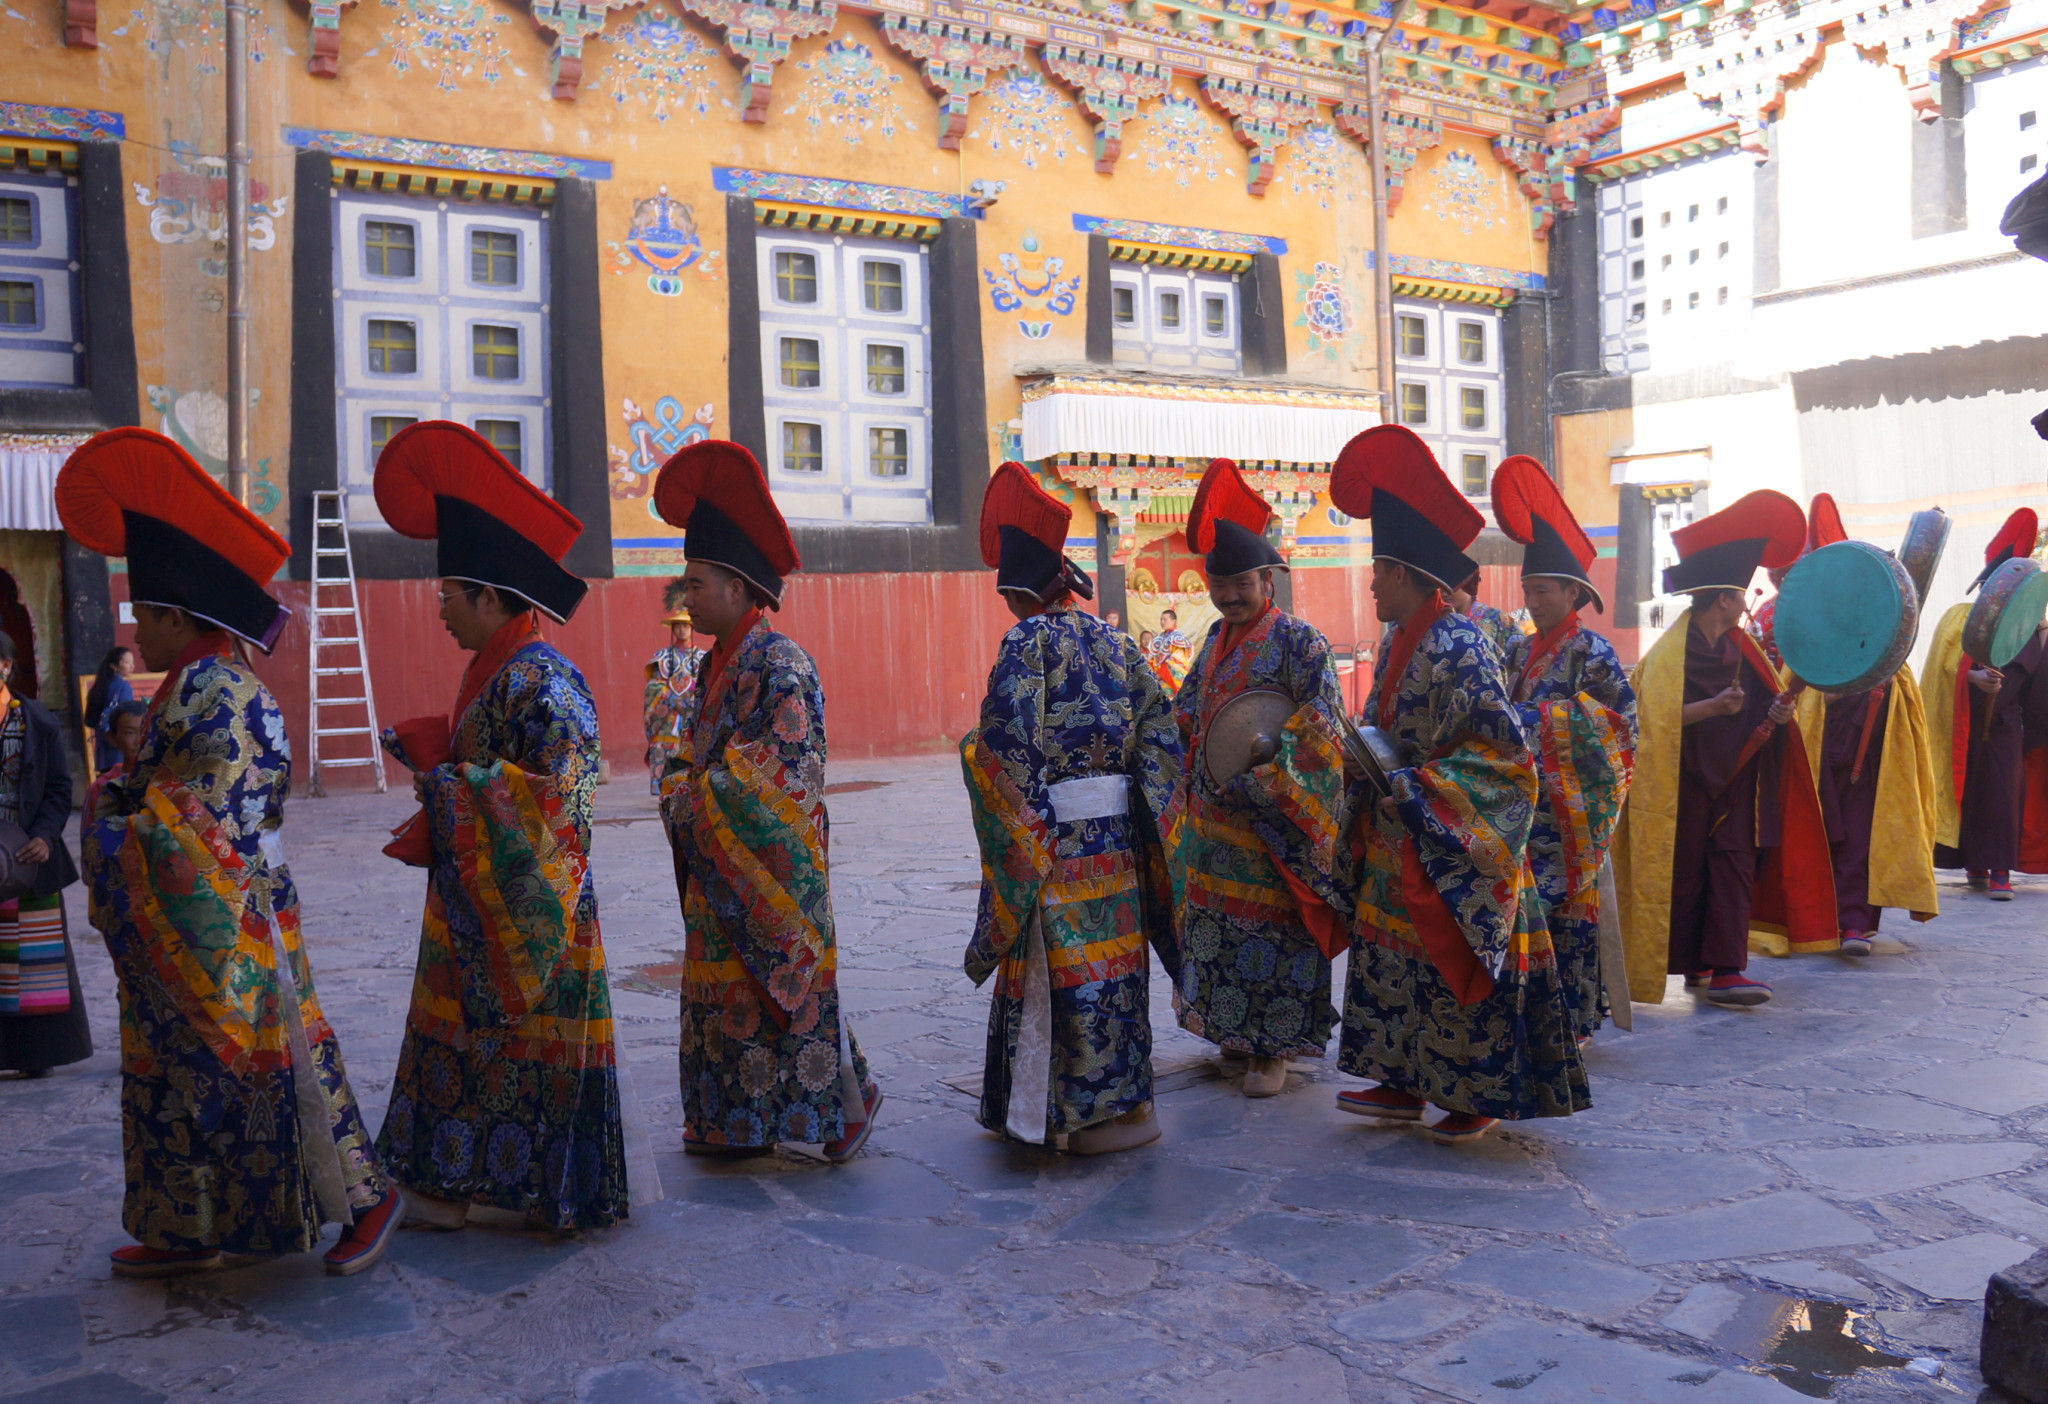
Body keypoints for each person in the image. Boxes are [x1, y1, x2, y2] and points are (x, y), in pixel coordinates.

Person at [60, 426, 399, 1278]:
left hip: (236, 915)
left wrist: (108, 818)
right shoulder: (190, 682)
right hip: (197, 915)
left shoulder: (223, 692)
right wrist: (121, 803)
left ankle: (365, 1197)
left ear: (178, 616)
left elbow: (198, 828)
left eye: (144, 616)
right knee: (175, 1073)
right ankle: (188, 1226)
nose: (137, 632)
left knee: (281, 1059)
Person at [372, 421, 630, 1232]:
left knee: (524, 1049)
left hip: (534, 916)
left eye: (449, 593)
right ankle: (450, 1182)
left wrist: (447, 782)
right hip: (475, 908)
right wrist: (447, 765)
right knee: (465, 1041)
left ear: (489, 597)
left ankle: (535, 1188)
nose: (439, 607)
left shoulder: (546, 682)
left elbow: (563, 807)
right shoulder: (495, 673)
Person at [1327, 429, 1579, 1145]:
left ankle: (1479, 1089)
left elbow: (1500, 759)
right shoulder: (1402, 636)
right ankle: (1402, 1080)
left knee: (1452, 959)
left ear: (1405, 573)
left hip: (1452, 837)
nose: (1370, 583)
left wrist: (1414, 788)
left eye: (1378, 570)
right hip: (1400, 823)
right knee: (1393, 957)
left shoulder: (1459, 643)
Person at [653, 440, 881, 1160]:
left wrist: (690, 793)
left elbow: (781, 773)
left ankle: (845, 1104)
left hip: (771, 872)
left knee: (790, 996)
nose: (685, 596)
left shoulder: (782, 664)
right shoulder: (714, 665)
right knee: (738, 1000)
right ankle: (734, 1121)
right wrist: (686, 781)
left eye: (696, 583)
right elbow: (703, 758)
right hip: (722, 865)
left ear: (739, 586)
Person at [960, 463, 1181, 1154]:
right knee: (1115, 967)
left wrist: (980, 769)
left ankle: (1066, 1114)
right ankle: (1129, 1106)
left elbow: (1004, 749)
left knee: (1065, 975)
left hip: (1052, 845)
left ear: (1019, 595)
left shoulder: (1025, 645)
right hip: (1114, 844)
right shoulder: (1117, 643)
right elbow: (1162, 733)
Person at [1167, 458, 1350, 1099]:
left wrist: (1265, 775)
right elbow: (1190, 710)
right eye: (1218, 585)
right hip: (1215, 826)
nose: (1229, 596)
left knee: (1273, 934)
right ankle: (1233, 1036)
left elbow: (1323, 729)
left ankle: (1272, 1049)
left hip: (1273, 822)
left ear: (1267, 578)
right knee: (1217, 926)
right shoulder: (1215, 639)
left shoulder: (1302, 644)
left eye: (1240, 583)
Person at [1615, 490, 1837, 1010]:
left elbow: (1769, 709)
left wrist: (1779, 717)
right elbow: (1646, 725)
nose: (1746, 602)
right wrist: (1712, 708)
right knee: (1688, 877)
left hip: (1740, 787)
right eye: (1740, 595)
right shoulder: (1670, 654)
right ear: (1723, 599)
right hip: (1685, 789)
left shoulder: (1745, 647)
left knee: (1734, 870)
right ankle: (1700, 966)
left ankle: (1727, 968)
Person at [1491, 457, 1638, 1044]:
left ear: (1573, 592)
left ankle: (1573, 1020)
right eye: (1527, 590)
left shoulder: (1593, 653)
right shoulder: (1517, 650)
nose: (1533, 600)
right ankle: (1533, 1012)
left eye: (1544, 590)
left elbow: (1619, 727)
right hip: (1525, 805)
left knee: (1570, 915)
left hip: (1572, 811)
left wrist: (1531, 723)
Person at [1777, 500, 1939, 955]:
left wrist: (1874, 682)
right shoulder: (1807, 649)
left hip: (1870, 760)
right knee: (1820, 833)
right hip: (1818, 753)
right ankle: (1817, 919)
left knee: (1863, 834)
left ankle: (1854, 923)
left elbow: (1902, 713)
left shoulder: (1889, 651)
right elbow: (1792, 695)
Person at [1923, 509, 2048, 899]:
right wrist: (1971, 678)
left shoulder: (2033, 627)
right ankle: (1973, 862)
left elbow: (2036, 685)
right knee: (1967, 794)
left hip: (2006, 727)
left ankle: (1999, 871)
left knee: (2000, 794)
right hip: (1963, 721)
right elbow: (1939, 672)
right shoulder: (1961, 619)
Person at [0, 630, 92, 1081]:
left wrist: (44, 836)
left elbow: (59, 788)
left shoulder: (37, 721)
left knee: (35, 962)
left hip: (27, 857)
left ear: (6, 666)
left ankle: (36, 1053)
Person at [645, 583, 706, 796]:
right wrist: (672, 701)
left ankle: (689, 787)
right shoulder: (661, 657)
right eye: (677, 626)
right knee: (661, 748)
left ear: (692, 628)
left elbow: (706, 685)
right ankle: (660, 786)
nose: (681, 630)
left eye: (685, 626)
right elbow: (654, 686)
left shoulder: (702, 658)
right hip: (667, 715)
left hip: (690, 712)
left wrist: (689, 702)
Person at [82, 700, 146, 820]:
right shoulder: (101, 787)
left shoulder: (161, 780)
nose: (139, 741)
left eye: (145, 731)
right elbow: (89, 833)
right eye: (129, 733)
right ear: (113, 738)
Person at [1449, 570, 1524, 662]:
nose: (1445, 593)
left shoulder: (1497, 618)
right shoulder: (1441, 621)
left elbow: (1521, 652)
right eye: (1441, 587)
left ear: (1469, 585)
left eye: (1452, 587)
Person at [82, 645, 135, 773]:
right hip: (119, 750)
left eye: (132, 663)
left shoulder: (101, 686)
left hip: (103, 751)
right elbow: (127, 718)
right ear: (113, 666)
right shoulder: (123, 686)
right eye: (127, 662)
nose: (131, 666)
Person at [1148, 608, 1194, 691]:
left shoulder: (1178, 638)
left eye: (1165, 619)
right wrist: (1151, 674)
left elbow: (1177, 660)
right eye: (1161, 619)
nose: (1162, 622)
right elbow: (1151, 658)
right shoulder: (1158, 638)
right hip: (1157, 679)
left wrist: (1160, 674)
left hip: (1170, 680)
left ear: (1174, 621)